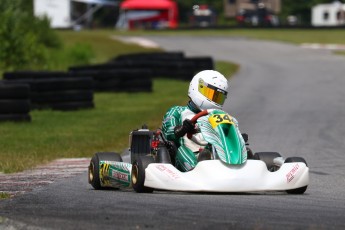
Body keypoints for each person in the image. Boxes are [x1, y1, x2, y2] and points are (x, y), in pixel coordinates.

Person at [162, 70, 242, 172]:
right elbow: (167, 131)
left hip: (214, 151)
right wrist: (183, 128)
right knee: (183, 150)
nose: (214, 100)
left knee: (241, 150)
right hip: (189, 153)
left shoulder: (218, 116)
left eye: (218, 97)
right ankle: (197, 169)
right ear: (197, 88)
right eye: (210, 94)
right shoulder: (178, 111)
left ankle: (243, 167)